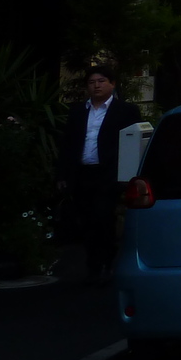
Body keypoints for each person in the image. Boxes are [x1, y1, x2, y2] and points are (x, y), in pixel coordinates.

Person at [56, 65, 143, 284]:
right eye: (92, 82)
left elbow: (134, 143)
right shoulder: (78, 111)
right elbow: (68, 144)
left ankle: (106, 263)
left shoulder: (125, 111)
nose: (96, 86)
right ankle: (92, 265)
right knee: (86, 221)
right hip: (82, 173)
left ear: (112, 84)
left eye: (101, 81)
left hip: (108, 174)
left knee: (103, 218)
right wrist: (62, 174)